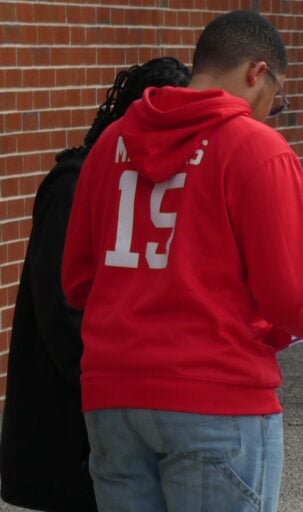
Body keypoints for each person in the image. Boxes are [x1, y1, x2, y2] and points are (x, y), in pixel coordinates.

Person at [61, 11, 303, 512]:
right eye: (277, 94)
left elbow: (78, 282)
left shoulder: (110, 146)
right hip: (217, 392)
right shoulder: (256, 149)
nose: (272, 107)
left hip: (113, 393)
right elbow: (292, 297)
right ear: (257, 73)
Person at [0, 56, 191, 512]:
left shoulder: (147, 183)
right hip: (70, 415)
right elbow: (61, 306)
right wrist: (112, 384)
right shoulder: (77, 181)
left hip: (115, 404)